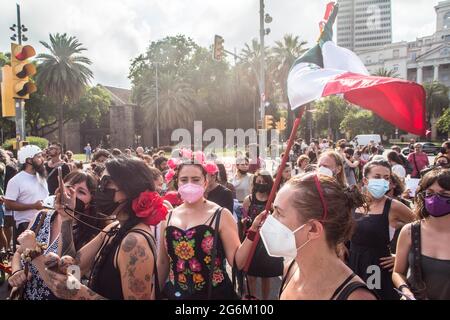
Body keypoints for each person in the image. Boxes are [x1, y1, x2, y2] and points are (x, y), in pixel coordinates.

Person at [20, 156, 164, 300]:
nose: (100, 189)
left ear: (129, 189)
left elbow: (75, 286)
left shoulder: (134, 242)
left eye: (106, 182)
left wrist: (80, 294)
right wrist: (66, 218)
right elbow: (74, 269)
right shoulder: (114, 228)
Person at [273, 174, 377, 300]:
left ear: (313, 228)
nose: (270, 219)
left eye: (278, 213)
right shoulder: (290, 268)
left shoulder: (357, 297)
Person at [8, 171, 100, 300]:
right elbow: (19, 252)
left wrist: (33, 251)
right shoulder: (41, 216)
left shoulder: (91, 235)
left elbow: (70, 284)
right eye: (69, 187)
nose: (72, 194)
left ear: (90, 201)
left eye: (81, 192)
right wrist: (17, 272)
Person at [157, 160, 242, 299]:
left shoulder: (221, 214)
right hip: (176, 294)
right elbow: (162, 262)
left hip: (215, 295)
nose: (189, 184)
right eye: (184, 179)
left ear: (205, 182)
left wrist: (252, 235)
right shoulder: (168, 216)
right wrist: (154, 293)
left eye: (195, 179)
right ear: (177, 182)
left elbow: (237, 262)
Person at [348, 160, 415, 300]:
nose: (382, 181)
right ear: (365, 180)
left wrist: (401, 257)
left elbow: (423, 229)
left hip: (376, 269)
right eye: (377, 177)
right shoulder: (353, 202)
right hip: (352, 264)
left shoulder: (394, 206)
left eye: (386, 178)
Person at [392, 168, 450, 300]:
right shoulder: (409, 231)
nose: (435, 199)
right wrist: (404, 290)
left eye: (444, 194)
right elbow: (398, 272)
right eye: (429, 193)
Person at [242, 170, 283, 300]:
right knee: (251, 275)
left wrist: (274, 210)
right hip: (252, 242)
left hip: (267, 243)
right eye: (258, 181)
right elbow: (245, 219)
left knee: (266, 276)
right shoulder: (248, 200)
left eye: (264, 182)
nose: (261, 184)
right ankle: (252, 297)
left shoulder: (275, 200)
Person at [3, 145, 49, 237]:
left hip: (44, 223)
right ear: (29, 160)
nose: (42, 159)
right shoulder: (16, 180)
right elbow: (8, 204)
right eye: (38, 156)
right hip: (25, 226)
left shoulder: (40, 177)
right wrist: (33, 206)